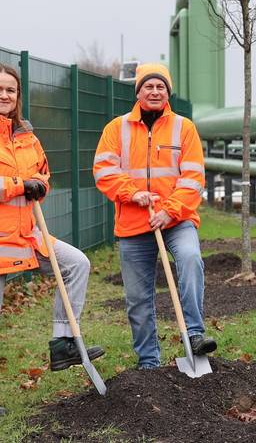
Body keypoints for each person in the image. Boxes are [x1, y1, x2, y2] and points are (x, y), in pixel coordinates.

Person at [0, 64, 104, 421]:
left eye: (11, 90)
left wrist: (38, 185)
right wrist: (20, 185)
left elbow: (44, 175)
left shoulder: (27, 137)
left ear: (18, 97)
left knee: (76, 263)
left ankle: (63, 343)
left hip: (27, 233)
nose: (5, 95)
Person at [93, 63, 215, 370]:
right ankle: (149, 362)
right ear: (138, 91)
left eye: (161, 87)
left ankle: (195, 334)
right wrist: (132, 193)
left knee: (190, 259)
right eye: (149, 86)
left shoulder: (183, 128)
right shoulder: (116, 129)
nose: (155, 91)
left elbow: (193, 178)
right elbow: (104, 172)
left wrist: (169, 210)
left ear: (168, 92)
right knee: (138, 299)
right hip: (133, 224)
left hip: (177, 220)